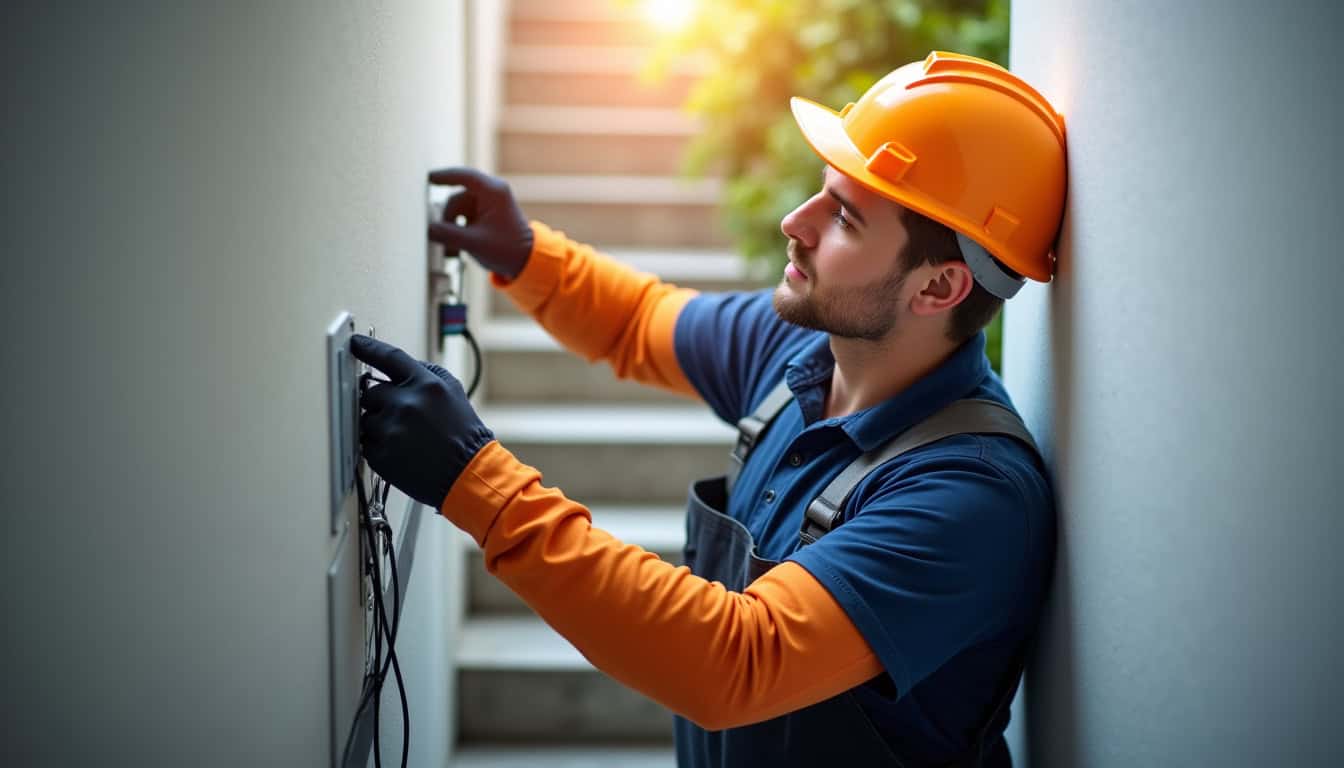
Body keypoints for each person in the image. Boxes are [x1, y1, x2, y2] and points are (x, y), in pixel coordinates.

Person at [351, 51, 1067, 767]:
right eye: (823, 191)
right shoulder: (799, 348)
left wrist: (477, 483)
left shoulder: (969, 495)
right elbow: (640, 323)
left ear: (938, 289)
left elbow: (735, 661)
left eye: (845, 217)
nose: (797, 221)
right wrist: (527, 255)